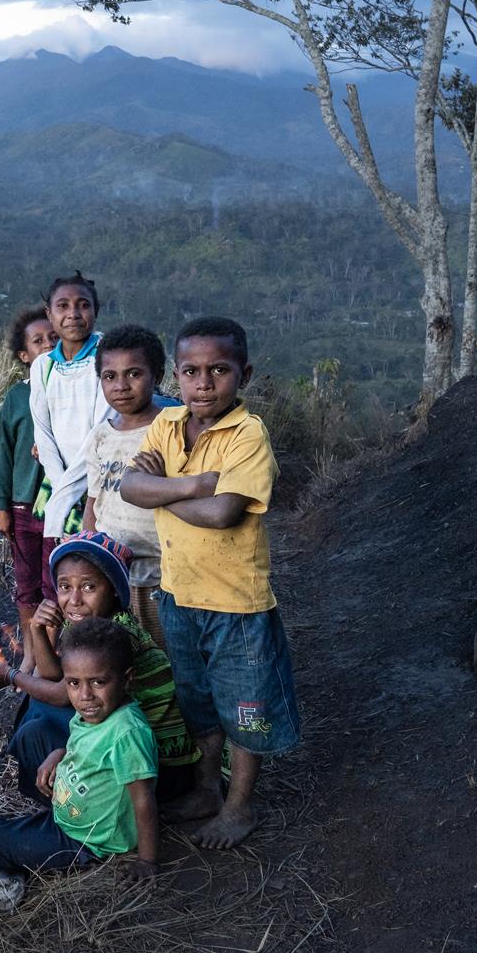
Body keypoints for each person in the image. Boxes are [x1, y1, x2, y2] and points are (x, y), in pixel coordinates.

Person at [120, 316, 299, 850]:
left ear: (243, 373)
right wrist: (194, 484)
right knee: (196, 700)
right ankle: (205, 790)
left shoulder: (248, 435)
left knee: (244, 704)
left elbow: (223, 514)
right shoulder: (168, 426)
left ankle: (240, 807)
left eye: (218, 370)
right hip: (178, 594)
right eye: (192, 371)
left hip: (235, 603)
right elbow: (130, 486)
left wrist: (164, 490)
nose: (204, 383)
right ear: (176, 374)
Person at [0, 531, 200, 808]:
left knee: (36, 725)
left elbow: (62, 694)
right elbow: (55, 676)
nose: (74, 599)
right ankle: (58, 798)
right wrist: (37, 630)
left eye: (89, 587)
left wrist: (9, 675)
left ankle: (74, 812)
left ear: (114, 589)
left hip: (154, 767)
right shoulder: (84, 622)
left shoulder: (115, 635)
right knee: (36, 711)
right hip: (134, 748)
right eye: (65, 587)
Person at [0, 617, 159, 878]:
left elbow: (143, 799)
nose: (85, 695)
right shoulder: (93, 711)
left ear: (127, 679)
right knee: (33, 733)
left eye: (98, 682)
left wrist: (147, 861)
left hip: (89, 839)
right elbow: (84, 746)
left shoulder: (127, 732)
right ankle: (52, 813)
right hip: (75, 809)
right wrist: (59, 754)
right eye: (74, 683)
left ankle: (71, 850)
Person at [81, 324, 173, 650]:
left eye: (133, 374)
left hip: (163, 575)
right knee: (121, 657)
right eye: (109, 376)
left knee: (168, 657)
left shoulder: (171, 429)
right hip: (114, 575)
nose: (121, 386)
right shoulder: (99, 436)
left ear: (157, 374)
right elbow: (95, 501)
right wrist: (89, 555)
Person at [27, 274, 109, 567]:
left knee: (96, 570)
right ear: (50, 314)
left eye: (83, 305)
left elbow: (101, 431)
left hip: (100, 483)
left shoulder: (107, 359)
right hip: (58, 482)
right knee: (62, 574)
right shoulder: (42, 367)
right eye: (63, 306)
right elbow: (43, 433)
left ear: (95, 311)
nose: (73, 314)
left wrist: (68, 495)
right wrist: (62, 489)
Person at [0, 306, 59, 653]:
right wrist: (1, 506)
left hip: (61, 505)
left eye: (54, 338)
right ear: (24, 354)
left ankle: (55, 657)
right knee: (26, 583)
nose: (48, 344)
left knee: (55, 583)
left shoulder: (71, 390)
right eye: (38, 341)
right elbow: (1, 454)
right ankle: (32, 656)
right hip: (23, 506)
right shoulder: (17, 397)